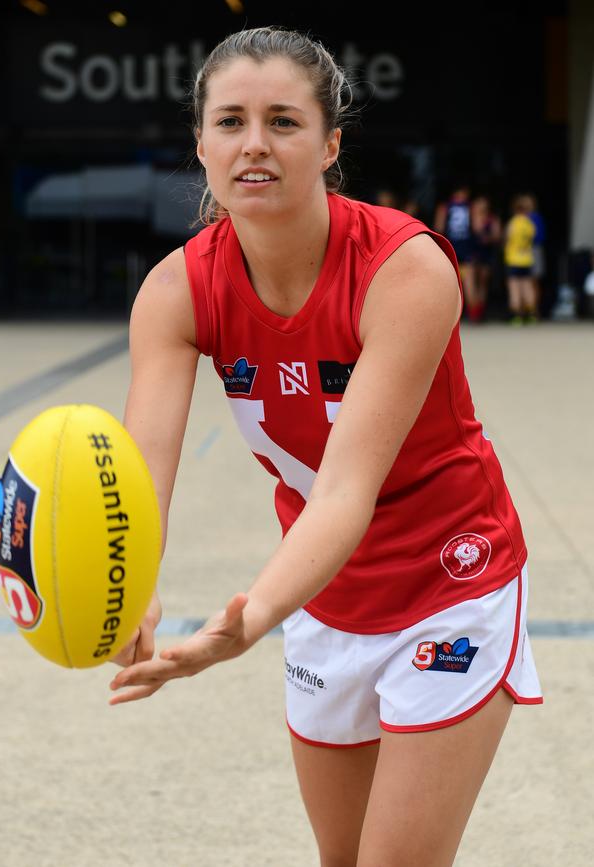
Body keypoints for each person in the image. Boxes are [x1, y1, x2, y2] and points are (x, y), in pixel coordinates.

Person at [108, 27, 542, 867]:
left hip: (450, 578)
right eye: (230, 121)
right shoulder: (174, 290)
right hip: (326, 593)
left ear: (331, 142)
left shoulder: (405, 269)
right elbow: (138, 473)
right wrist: (130, 588)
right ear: (200, 142)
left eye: (284, 121)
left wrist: (248, 621)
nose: (254, 145)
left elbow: (346, 489)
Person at [434, 183, 479, 322]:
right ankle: (474, 316)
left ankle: (449, 318)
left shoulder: (445, 207)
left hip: (450, 247)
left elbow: (438, 227)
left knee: (448, 283)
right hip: (466, 248)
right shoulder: (471, 207)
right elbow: (476, 227)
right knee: (469, 283)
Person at [504, 195, 538, 325]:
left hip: (513, 259)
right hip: (527, 259)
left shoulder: (513, 223)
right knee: (527, 287)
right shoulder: (529, 224)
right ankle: (530, 313)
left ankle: (516, 315)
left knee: (514, 288)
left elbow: (507, 238)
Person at [470, 194, 502, 322]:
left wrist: (488, 238)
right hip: (473, 252)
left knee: (483, 282)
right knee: (472, 282)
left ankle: (479, 311)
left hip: (486, 253)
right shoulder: (470, 217)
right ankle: (473, 310)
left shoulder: (492, 219)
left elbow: (497, 236)